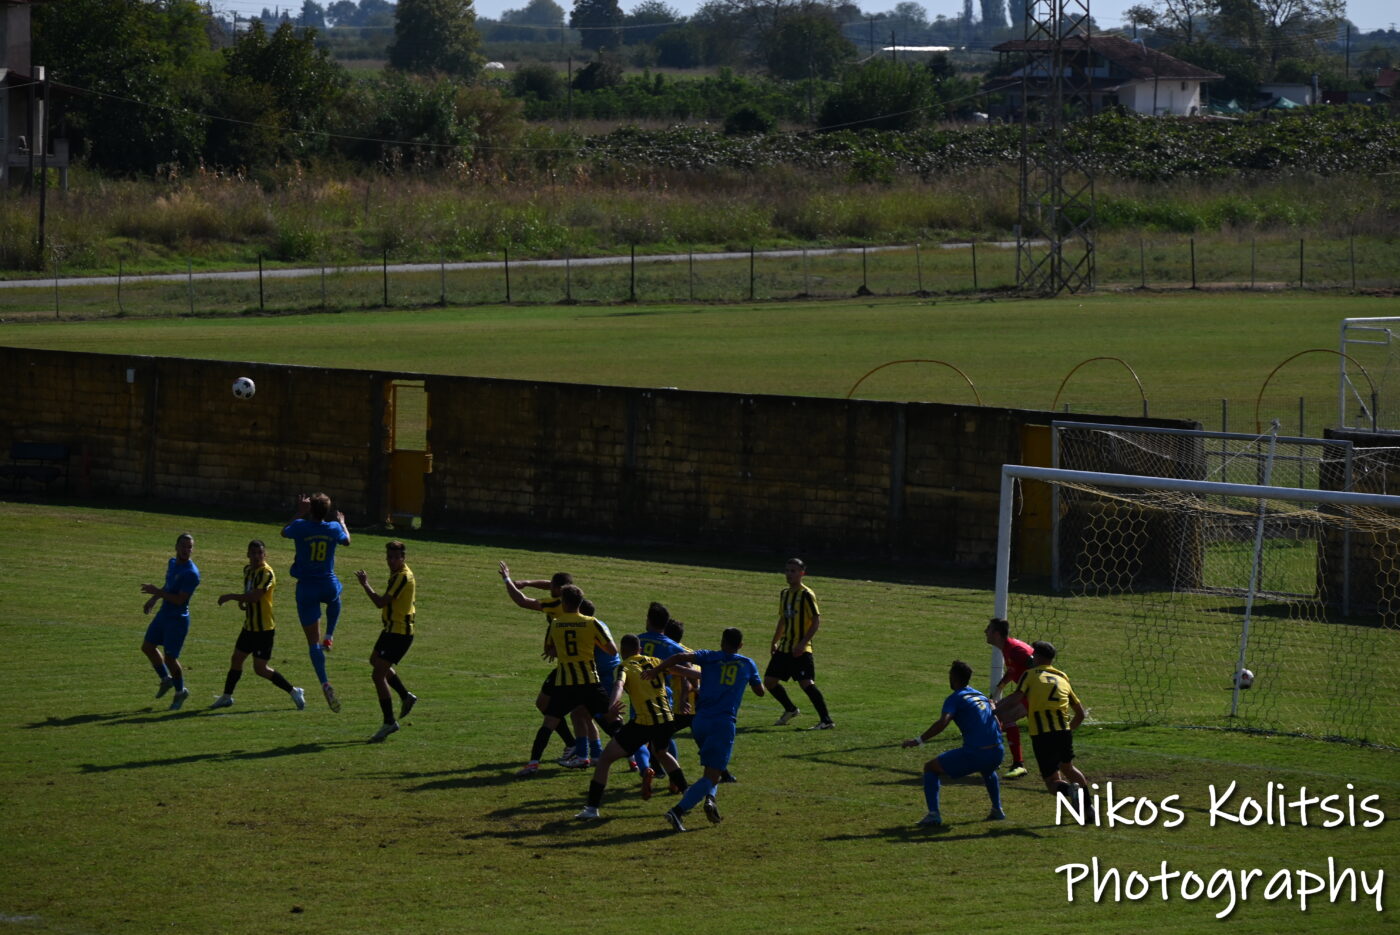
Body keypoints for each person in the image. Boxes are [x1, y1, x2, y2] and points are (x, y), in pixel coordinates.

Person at [645, 627, 764, 832]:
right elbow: (760, 692)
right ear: (741, 645)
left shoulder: (709, 657)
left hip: (699, 722)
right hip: (722, 723)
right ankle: (678, 811)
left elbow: (680, 656)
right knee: (712, 773)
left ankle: (710, 799)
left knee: (711, 769)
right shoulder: (747, 663)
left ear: (721, 642)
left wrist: (656, 670)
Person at [575, 634, 689, 819]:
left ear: (622, 651)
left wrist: (612, 707)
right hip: (666, 720)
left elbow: (618, 685)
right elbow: (680, 670)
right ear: (640, 650)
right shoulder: (654, 660)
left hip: (644, 723)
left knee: (605, 759)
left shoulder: (624, 666)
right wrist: (705, 675)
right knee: (662, 753)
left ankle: (592, 809)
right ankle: (688, 795)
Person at [513, 584, 618, 777]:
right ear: (580, 602)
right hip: (589, 681)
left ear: (563, 602)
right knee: (608, 722)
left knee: (548, 723)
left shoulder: (556, 623)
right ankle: (637, 759)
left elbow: (550, 651)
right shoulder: (591, 622)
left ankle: (533, 763)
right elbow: (612, 650)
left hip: (566, 683)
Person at [901, 660, 1005, 826]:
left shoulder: (955, 698)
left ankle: (934, 814)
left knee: (930, 768)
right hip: (997, 751)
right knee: (987, 769)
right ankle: (997, 809)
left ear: (954, 677)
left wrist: (918, 740)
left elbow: (943, 722)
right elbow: (998, 722)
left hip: (976, 752)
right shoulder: (980, 695)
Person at [498, 563, 582, 764]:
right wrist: (527, 582)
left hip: (569, 666)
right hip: (575, 661)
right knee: (578, 711)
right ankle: (580, 747)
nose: (548, 587)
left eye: (551, 586)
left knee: (549, 706)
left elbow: (522, 601)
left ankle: (576, 747)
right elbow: (550, 585)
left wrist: (507, 580)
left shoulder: (555, 605)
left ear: (557, 589)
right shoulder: (572, 598)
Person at [995, 641, 1091, 811]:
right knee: (1069, 768)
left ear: (1035, 656)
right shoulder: (1062, 676)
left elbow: (1017, 698)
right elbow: (1081, 714)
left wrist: (995, 708)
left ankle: (1070, 790)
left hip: (1042, 735)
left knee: (1052, 781)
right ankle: (1088, 808)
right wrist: (1068, 730)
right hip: (1063, 732)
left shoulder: (1030, 674)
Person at [211, 540, 306, 711]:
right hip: (249, 627)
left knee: (260, 669)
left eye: (259, 553)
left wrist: (232, 596)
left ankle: (294, 691)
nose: (256, 556)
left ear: (264, 555)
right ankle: (226, 697)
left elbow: (255, 596)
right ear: (247, 554)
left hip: (264, 630)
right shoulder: (248, 570)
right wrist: (243, 602)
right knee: (236, 659)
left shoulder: (266, 573)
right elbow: (249, 594)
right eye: (252, 553)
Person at [281, 493, 351, 712]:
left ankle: (324, 682)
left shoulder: (301, 525)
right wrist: (343, 523)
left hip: (306, 588)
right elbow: (347, 541)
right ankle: (329, 636)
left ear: (311, 509)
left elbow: (284, 532)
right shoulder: (332, 528)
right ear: (327, 511)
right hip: (326, 582)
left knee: (312, 642)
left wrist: (299, 513)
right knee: (336, 597)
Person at [354, 540, 418, 743]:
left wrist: (365, 585)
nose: (390, 561)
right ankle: (405, 695)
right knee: (375, 661)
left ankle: (389, 721)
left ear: (403, 558)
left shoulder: (402, 577)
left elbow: (380, 602)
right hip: (391, 630)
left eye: (395, 557)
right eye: (388, 557)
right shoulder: (398, 574)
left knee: (377, 674)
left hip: (399, 634)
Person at [765, 557, 833, 729]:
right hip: (785, 646)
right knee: (769, 681)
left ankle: (826, 720)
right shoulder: (785, 594)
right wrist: (775, 641)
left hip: (801, 649)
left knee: (806, 683)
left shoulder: (806, 595)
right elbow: (783, 620)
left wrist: (802, 644)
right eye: (787, 570)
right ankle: (790, 709)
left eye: (793, 571)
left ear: (802, 573)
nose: (789, 574)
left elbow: (816, 621)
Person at [140, 532, 200, 711]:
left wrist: (155, 592)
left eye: (189, 547)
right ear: (176, 547)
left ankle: (180, 691)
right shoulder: (172, 563)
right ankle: (166, 680)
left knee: (170, 658)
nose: (186, 550)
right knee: (148, 647)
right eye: (183, 545)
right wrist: (154, 599)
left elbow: (179, 600)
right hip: (164, 614)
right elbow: (168, 586)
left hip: (177, 619)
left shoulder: (192, 573)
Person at [984, 617, 1033, 779]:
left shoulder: (1015, 650)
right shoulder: (1009, 648)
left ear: (997, 634)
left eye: (988, 629)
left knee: (999, 715)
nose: (985, 632)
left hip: (1034, 694)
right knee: (999, 715)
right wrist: (1000, 687)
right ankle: (1013, 762)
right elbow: (1014, 669)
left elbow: (1035, 665)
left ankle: (1011, 762)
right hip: (1028, 692)